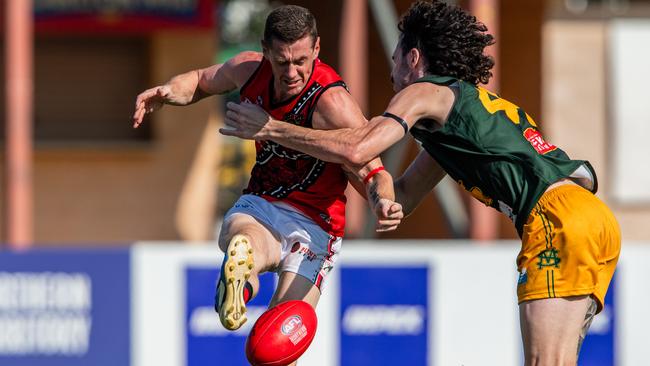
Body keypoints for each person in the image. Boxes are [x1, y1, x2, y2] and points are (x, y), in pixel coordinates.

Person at [221, 1, 621, 364]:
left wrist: (273, 128)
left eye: (395, 58)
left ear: (413, 58)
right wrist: (383, 200)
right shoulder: (459, 120)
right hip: (591, 218)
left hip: (557, 221)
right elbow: (405, 194)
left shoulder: (425, 91)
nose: (392, 72)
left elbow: (360, 146)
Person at [132, 3, 402, 341]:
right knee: (243, 240)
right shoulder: (249, 69)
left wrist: (384, 202)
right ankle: (242, 280)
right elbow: (200, 80)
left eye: (301, 61)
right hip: (262, 204)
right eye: (281, 61)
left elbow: (374, 172)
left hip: (317, 223)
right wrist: (169, 91)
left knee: (273, 343)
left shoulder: (332, 104)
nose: (291, 73)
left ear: (317, 49)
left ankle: (244, 280)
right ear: (265, 51)